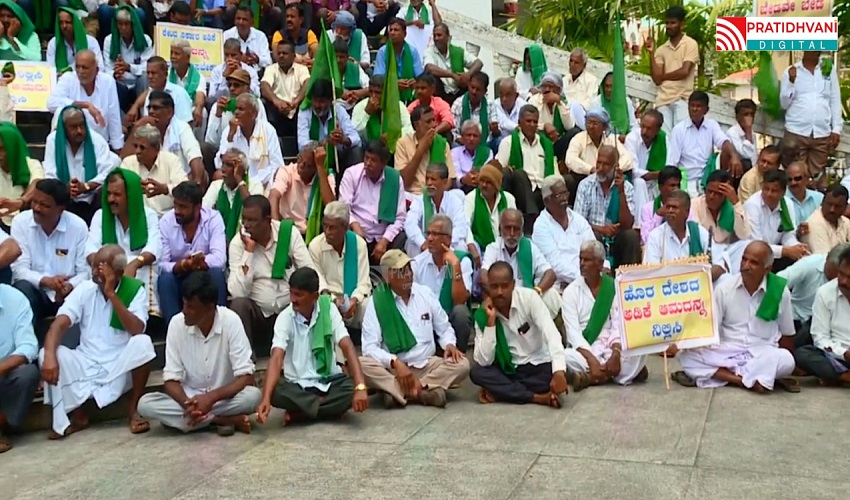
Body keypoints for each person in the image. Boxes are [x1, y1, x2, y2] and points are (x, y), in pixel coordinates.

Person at [39, 244, 156, 438]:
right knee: (47, 352)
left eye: (101, 268)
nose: (94, 272)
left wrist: (112, 294)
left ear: (118, 273)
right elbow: (59, 324)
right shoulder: (85, 289)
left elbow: (137, 329)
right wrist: (50, 356)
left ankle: (134, 410)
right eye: (93, 266)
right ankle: (77, 416)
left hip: (119, 366)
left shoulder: (134, 290)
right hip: (86, 362)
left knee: (143, 343)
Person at [138, 271, 260, 435]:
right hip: (189, 401)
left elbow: (246, 376)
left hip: (222, 399)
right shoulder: (176, 324)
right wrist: (188, 404)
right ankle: (221, 420)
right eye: (184, 304)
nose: (184, 311)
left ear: (209, 308)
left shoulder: (230, 321)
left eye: (191, 307)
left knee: (253, 397)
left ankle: (190, 422)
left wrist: (211, 398)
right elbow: (171, 380)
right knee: (145, 404)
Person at [675, 241, 799, 393]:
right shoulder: (725, 289)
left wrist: (782, 365)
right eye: (744, 259)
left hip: (762, 352)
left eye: (753, 263)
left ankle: (732, 375)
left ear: (767, 269)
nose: (746, 266)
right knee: (686, 356)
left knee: (787, 360)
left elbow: (787, 334)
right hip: (728, 350)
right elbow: (711, 329)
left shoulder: (779, 291)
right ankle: (743, 380)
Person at [360, 249, 470, 408]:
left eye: (409, 270)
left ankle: (400, 391)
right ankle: (425, 392)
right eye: (401, 271)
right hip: (394, 370)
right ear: (387, 276)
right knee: (359, 364)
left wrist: (449, 344)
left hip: (426, 365)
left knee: (462, 364)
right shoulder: (376, 302)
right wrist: (394, 362)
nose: (408, 275)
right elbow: (369, 347)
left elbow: (444, 328)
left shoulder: (425, 293)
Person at [257, 267, 368, 424]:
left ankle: (302, 413)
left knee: (352, 388)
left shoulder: (329, 310)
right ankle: (328, 410)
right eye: (291, 293)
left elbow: (347, 346)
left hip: (329, 382)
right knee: (274, 390)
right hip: (298, 386)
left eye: (299, 295)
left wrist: (360, 387)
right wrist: (265, 399)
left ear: (315, 296)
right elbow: (276, 357)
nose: (293, 299)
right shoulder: (284, 318)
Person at [228, 195, 324, 355]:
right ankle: (246, 360)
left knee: (311, 296)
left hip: (290, 310)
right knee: (239, 304)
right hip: (259, 315)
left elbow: (308, 271)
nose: (246, 225)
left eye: (252, 220)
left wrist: (325, 292)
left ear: (267, 220)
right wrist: (248, 252)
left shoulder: (288, 233)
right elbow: (238, 292)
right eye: (244, 219)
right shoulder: (238, 244)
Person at [470, 261, 568, 406]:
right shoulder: (483, 315)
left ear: (513, 285)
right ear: (488, 287)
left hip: (538, 365)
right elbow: (485, 361)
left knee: (552, 373)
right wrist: (490, 324)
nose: (499, 292)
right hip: (510, 369)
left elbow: (551, 333)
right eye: (494, 287)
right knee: (477, 373)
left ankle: (503, 392)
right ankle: (537, 397)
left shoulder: (529, 298)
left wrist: (559, 372)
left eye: (504, 286)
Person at [563, 240, 647, 389]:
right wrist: (592, 360)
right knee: (564, 356)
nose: (582, 264)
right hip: (586, 349)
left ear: (600, 264)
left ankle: (591, 378)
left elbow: (618, 324)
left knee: (640, 348)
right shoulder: (571, 292)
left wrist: (616, 353)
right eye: (581, 259)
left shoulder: (613, 287)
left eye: (587, 260)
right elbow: (573, 334)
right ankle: (618, 374)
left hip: (611, 346)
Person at [10, 179, 89, 328]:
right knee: (21, 288)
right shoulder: (21, 222)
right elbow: (19, 270)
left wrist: (68, 286)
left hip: (68, 294)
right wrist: (47, 281)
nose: (36, 208)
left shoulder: (78, 227)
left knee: (86, 292)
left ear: (61, 209)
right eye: (34, 202)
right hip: (35, 291)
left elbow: (85, 272)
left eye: (44, 205)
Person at [88, 168, 163, 315]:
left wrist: (134, 264)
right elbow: (90, 250)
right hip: (107, 270)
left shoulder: (148, 215)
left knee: (147, 266)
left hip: (138, 270)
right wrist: (111, 267)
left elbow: (154, 248)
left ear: (131, 196)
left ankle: (147, 314)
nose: (111, 199)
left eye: (117, 195)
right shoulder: (100, 216)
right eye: (109, 194)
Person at [158, 182, 227, 323]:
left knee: (216, 273)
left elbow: (220, 259)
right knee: (165, 280)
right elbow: (161, 264)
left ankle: (220, 324)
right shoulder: (166, 221)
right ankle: (173, 328)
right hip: (179, 276)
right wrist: (183, 265)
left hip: (204, 275)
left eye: (183, 207)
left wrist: (199, 263)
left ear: (198, 207)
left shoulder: (213, 219)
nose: (177, 211)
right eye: (175, 205)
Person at [43, 106, 120, 224]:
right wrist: (65, 188)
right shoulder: (53, 140)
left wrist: (86, 186)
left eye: (82, 125)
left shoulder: (97, 140)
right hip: (63, 198)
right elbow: (50, 173)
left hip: (92, 199)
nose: (79, 131)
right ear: (64, 128)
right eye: (73, 127)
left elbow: (107, 173)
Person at [338, 140, 407, 265]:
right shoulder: (351, 174)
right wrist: (355, 227)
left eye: (373, 160)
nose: (368, 163)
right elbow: (343, 208)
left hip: (383, 236)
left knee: (402, 237)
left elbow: (400, 217)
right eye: (366, 158)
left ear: (383, 163)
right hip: (357, 232)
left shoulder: (395, 179)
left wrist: (384, 240)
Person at [481, 208, 560, 317]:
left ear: (522, 231)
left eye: (516, 229)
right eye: (508, 228)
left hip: (527, 301)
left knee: (551, 295)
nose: (512, 233)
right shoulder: (493, 248)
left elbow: (550, 274)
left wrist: (536, 291)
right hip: (503, 301)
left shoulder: (529, 247)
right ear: (500, 229)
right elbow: (483, 276)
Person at [573, 145, 641, 269]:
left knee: (631, 236)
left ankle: (630, 278)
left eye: (606, 164)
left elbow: (628, 224)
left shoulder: (626, 187)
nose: (600, 168)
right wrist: (601, 229)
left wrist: (621, 192)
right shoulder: (585, 185)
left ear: (616, 167)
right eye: (599, 163)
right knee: (593, 237)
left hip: (617, 239)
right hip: (594, 236)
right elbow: (577, 224)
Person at [411, 214, 473, 349]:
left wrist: (455, 266)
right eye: (428, 233)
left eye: (435, 234)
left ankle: (458, 354)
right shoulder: (417, 263)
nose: (429, 238)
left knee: (461, 312)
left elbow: (460, 300)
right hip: (426, 319)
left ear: (448, 239)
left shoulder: (462, 261)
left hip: (450, 317)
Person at [780, 51, 842, 183]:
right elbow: (784, 104)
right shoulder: (791, 71)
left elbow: (835, 99)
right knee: (794, 176)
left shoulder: (828, 70)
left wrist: (836, 128)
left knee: (816, 179)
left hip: (821, 133)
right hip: (796, 132)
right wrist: (791, 82)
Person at [666, 91, 743, 196]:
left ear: (706, 110)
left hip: (708, 178)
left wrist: (734, 156)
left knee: (727, 154)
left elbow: (723, 141)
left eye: (698, 106)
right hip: (687, 180)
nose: (694, 109)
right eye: (692, 106)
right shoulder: (678, 130)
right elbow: (672, 162)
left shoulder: (712, 125)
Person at [308, 201, 371, 329]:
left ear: (345, 227)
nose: (327, 232)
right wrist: (334, 300)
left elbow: (364, 282)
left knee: (371, 307)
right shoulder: (315, 246)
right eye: (325, 226)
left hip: (354, 302)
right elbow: (319, 283)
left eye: (333, 228)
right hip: (328, 301)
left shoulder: (359, 244)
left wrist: (354, 300)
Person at [47, 50, 124, 151]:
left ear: (96, 70)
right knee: (60, 111)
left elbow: (114, 116)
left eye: (85, 68)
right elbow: (51, 103)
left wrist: (117, 147)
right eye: (77, 67)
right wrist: (85, 105)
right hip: (71, 144)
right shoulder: (68, 78)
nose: (80, 71)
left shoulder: (108, 81)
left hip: (98, 145)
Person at [795, 246, 850, 385]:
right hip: (838, 356)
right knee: (803, 354)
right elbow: (820, 338)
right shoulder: (825, 292)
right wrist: (844, 353)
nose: (843, 281)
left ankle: (836, 376)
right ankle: (844, 376)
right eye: (841, 274)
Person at [496, 104, 558, 226]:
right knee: (520, 174)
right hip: (520, 190)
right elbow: (499, 169)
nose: (532, 125)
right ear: (519, 123)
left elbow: (555, 172)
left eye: (535, 122)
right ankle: (532, 219)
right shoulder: (508, 142)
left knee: (563, 182)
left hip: (542, 189)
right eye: (528, 121)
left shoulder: (545, 144)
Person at [532, 175, 596, 289]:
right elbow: (555, 265)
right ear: (547, 201)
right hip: (556, 287)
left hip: (585, 282)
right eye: (559, 195)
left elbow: (593, 249)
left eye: (565, 193)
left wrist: (602, 268)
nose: (564, 198)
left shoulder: (578, 220)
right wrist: (583, 279)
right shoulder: (541, 226)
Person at [129, 91, 205, 186]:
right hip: (149, 181)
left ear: (169, 112)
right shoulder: (145, 128)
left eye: (156, 108)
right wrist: (137, 127)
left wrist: (196, 184)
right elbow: (126, 159)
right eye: (149, 108)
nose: (151, 111)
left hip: (179, 184)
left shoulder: (182, 128)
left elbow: (194, 157)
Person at [778, 244, 847, 345]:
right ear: (827, 257)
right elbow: (778, 282)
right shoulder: (809, 264)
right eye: (830, 271)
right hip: (799, 320)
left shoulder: (845, 280)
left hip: (832, 324)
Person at [645, 5, 698, 134]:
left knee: (682, 137)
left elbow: (684, 71)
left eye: (673, 23)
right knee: (666, 140)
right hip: (663, 101)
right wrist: (651, 53)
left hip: (682, 99)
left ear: (682, 24)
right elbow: (657, 79)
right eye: (667, 23)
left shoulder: (690, 44)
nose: (669, 26)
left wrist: (663, 76)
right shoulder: (661, 50)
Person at [215, 94, 284, 189]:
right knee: (217, 175)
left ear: (254, 114)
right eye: (235, 109)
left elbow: (277, 165)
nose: (236, 112)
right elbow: (219, 164)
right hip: (237, 184)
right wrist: (230, 138)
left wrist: (253, 183)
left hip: (264, 184)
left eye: (241, 109)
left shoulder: (268, 130)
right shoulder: (228, 131)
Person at [204, 69, 270, 169]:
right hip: (224, 151)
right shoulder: (218, 106)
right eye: (229, 85)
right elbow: (210, 141)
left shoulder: (256, 104)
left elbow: (263, 133)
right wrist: (218, 116)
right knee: (205, 149)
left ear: (247, 88)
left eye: (236, 85)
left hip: (252, 150)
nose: (232, 88)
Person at [744, 169, 809, 269]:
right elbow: (757, 244)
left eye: (774, 191)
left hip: (775, 255)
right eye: (766, 189)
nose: (768, 194)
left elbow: (788, 235)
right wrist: (785, 251)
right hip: (753, 256)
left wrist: (797, 248)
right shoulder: (752, 205)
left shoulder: (787, 204)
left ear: (783, 192)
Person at [0, 283, 38, 453]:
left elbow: (28, 346)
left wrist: (1, 368)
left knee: (27, 373)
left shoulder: (14, 299)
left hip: (4, 373)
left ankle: (1, 426)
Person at [119, 124, 188, 216]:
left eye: (142, 147)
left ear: (156, 148)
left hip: (167, 217)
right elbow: (118, 190)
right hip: (138, 218)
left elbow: (185, 190)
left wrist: (165, 189)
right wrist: (133, 187)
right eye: (135, 146)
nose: (137, 151)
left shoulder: (171, 161)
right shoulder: (128, 163)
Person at [269, 142, 336, 236]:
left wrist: (321, 168)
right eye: (300, 159)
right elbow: (273, 196)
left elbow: (330, 205)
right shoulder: (286, 171)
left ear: (316, 168)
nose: (301, 165)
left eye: (308, 165)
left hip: (314, 233)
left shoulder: (326, 176)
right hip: (288, 230)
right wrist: (276, 227)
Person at [297, 78, 362, 175]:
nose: (317, 105)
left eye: (321, 101)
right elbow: (302, 145)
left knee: (356, 151)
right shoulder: (305, 112)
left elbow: (356, 139)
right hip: (314, 160)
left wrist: (343, 140)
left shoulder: (338, 110)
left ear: (330, 100)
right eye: (315, 100)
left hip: (338, 159)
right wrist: (326, 142)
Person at [404, 163, 467, 257]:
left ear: (445, 182)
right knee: (411, 243)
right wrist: (422, 242)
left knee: (461, 245)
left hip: (447, 244)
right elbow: (410, 224)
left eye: (433, 179)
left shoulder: (455, 201)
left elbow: (461, 228)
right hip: (426, 245)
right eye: (427, 179)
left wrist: (442, 243)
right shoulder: (419, 200)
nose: (429, 183)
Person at [202, 148, 265, 243]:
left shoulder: (255, 186)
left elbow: (252, 209)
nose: (223, 169)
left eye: (229, 165)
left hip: (247, 241)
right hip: (219, 241)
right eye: (223, 164)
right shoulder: (216, 186)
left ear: (242, 169)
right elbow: (203, 213)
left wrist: (239, 179)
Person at [395, 104, 455, 195]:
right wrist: (421, 149)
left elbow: (450, 179)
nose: (433, 125)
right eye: (428, 122)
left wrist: (437, 195)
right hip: (414, 195)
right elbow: (404, 182)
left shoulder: (442, 144)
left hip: (437, 195)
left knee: (459, 194)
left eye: (433, 120)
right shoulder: (402, 143)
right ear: (416, 125)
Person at [103, 6, 152, 113]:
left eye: (126, 24)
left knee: (145, 78)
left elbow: (147, 68)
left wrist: (128, 67)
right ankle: (121, 119)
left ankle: (144, 114)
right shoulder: (109, 40)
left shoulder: (146, 40)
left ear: (133, 24)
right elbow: (107, 69)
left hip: (137, 83)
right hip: (120, 83)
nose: (123, 28)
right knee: (110, 81)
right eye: (120, 24)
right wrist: (115, 73)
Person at [565, 105, 634, 176]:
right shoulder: (578, 139)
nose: (591, 126)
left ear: (604, 127)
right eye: (589, 123)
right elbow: (570, 159)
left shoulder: (611, 139)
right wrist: (591, 169)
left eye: (595, 124)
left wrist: (613, 169)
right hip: (585, 176)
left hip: (609, 177)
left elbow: (627, 158)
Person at [643, 190, 709, 264]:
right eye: (668, 207)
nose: (670, 211)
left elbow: (714, 262)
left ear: (686, 212)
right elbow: (652, 269)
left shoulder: (699, 233)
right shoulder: (656, 237)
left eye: (674, 207)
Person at [260, 40, 309, 138]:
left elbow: (307, 83)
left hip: (297, 110)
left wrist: (296, 101)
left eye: (285, 53)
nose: (281, 56)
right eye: (279, 53)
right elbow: (264, 85)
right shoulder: (270, 69)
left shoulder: (302, 69)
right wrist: (277, 101)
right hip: (276, 111)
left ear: (293, 56)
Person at [423, 23, 483, 103]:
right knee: (432, 78)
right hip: (440, 93)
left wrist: (468, 74)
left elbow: (478, 63)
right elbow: (429, 68)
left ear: (448, 37)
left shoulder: (457, 51)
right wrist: (452, 75)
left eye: (439, 35)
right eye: (434, 36)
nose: (436, 38)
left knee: (478, 78)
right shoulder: (429, 51)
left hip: (458, 90)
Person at [527, 71, 578, 163]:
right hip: (539, 142)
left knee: (575, 132)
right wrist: (544, 126)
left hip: (556, 143)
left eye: (551, 87)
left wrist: (559, 103)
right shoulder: (534, 101)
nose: (547, 90)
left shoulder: (562, 102)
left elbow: (569, 126)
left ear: (558, 89)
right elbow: (528, 123)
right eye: (544, 86)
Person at [0, 122, 43, 230]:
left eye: (1, 148)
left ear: (13, 148)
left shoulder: (32, 165)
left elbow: (37, 184)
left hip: (27, 225)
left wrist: (21, 202)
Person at [464, 163, 516, 254]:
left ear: (496, 186)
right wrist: (471, 245)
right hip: (480, 247)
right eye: (482, 181)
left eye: (488, 182)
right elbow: (465, 225)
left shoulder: (508, 199)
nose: (484, 185)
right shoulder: (471, 198)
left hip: (504, 248)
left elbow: (515, 225)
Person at [128, 57, 194, 126]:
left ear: (165, 74)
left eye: (154, 73)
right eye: (148, 73)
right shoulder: (149, 94)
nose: (150, 76)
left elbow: (186, 124)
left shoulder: (179, 93)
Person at [692, 169, 751, 248]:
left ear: (726, 194)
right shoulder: (695, 204)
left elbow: (743, 235)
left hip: (727, 250)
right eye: (709, 191)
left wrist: (736, 203)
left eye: (717, 193)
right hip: (703, 249)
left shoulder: (732, 207)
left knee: (747, 244)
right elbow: (696, 236)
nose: (711, 197)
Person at [373, 17, 423, 103]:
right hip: (388, 97)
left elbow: (420, 77)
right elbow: (378, 79)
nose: (392, 33)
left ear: (404, 34)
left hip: (410, 96)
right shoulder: (383, 52)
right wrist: (393, 84)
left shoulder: (412, 51)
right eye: (390, 30)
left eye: (396, 30)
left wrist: (415, 82)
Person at [351, 74, 414, 143]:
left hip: (394, 144)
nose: (373, 96)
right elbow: (354, 134)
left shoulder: (398, 105)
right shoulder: (360, 106)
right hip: (368, 146)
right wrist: (366, 113)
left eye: (378, 93)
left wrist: (393, 135)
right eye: (371, 92)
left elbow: (410, 129)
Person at [639, 167, 693, 244]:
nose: (676, 189)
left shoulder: (684, 207)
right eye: (672, 185)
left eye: (678, 185)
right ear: (660, 187)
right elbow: (646, 239)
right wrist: (658, 215)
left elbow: (690, 233)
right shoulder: (647, 208)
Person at [625, 109, 666, 203]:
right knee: (640, 182)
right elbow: (634, 171)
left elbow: (670, 167)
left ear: (658, 130)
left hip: (656, 184)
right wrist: (658, 174)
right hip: (635, 185)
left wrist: (661, 175)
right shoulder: (632, 138)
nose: (644, 131)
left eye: (649, 128)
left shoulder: (664, 140)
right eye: (642, 126)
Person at [47, 7, 104, 74]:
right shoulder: (53, 43)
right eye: (61, 22)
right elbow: (50, 70)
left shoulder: (91, 41)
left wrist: (71, 72)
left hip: (86, 78)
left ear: (75, 23)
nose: (64, 26)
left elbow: (100, 67)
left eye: (68, 22)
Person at [802, 184, 850, 255]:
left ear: (845, 207)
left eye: (837, 206)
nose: (832, 209)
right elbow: (824, 258)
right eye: (829, 204)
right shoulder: (814, 223)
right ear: (822, 202)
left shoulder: (845, 222)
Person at [222, 4, 273, 70]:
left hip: (256, 73)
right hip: (232, 72)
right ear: (234, 20)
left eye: (244, 19)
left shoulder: (260, 36)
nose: (241, 22)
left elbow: (268, 62)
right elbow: (220, 59)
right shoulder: (226, 35)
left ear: (252, 22)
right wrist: (239, 59)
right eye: (238, 18)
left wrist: (257, 59)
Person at [168, 40, 206, 128]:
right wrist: (136, 106)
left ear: (187, 57)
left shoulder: (198, 77)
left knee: (203, 112)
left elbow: (200, 94)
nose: (173, 56)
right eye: (171, 53)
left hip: (189, 111)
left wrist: (198, 108)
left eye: (177, 54)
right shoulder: (167, 75)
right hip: (170, 110)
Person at [589, 71, 638, 135]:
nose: (609, 90)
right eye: (606, 86)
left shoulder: (626, 102)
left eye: (612, 87)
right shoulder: (597, 102)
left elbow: (633, 126)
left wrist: (628, 137)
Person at [450, 73, 490, 146]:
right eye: (472, 87)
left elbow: (493, 132)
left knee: (498, 140)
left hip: (484, 143)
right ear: (468, 85)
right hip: (463, 143)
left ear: (485, 91)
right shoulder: (458, 104)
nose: (474, 92)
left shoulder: (490, 105)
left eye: (478, 89)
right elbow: (453, 131)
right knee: (455, 145)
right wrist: (466, 141)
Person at [333, 38, 369, 112]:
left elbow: (370, 88)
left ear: (347, 57)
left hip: (354, 108)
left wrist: (356, 94)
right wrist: (340, 92)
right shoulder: (326, 69)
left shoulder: (355, 68)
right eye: (335, 57)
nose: (338, 60)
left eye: (341, 57)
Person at [489, 77, 526, 147]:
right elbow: (503, 121)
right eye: (501, 94)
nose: (504, 99)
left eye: (508, 95)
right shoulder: (494, 105)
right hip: (499, 142)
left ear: (516, 96)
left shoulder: (523, 106)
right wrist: (517, 127)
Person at [785, 161, 823, 227]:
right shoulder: (781, 199)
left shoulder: (819, 198)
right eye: (789, 179)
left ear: (807, 179)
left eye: (797, 178)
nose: (793, 182)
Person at [727, 99, 759, 170]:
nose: (749, 118)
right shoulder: (732, 133)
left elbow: (753, 159)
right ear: (737, 117)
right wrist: (748, 129)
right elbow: (747, 155)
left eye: (752, 115)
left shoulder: (752, 134)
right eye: (746, 115)